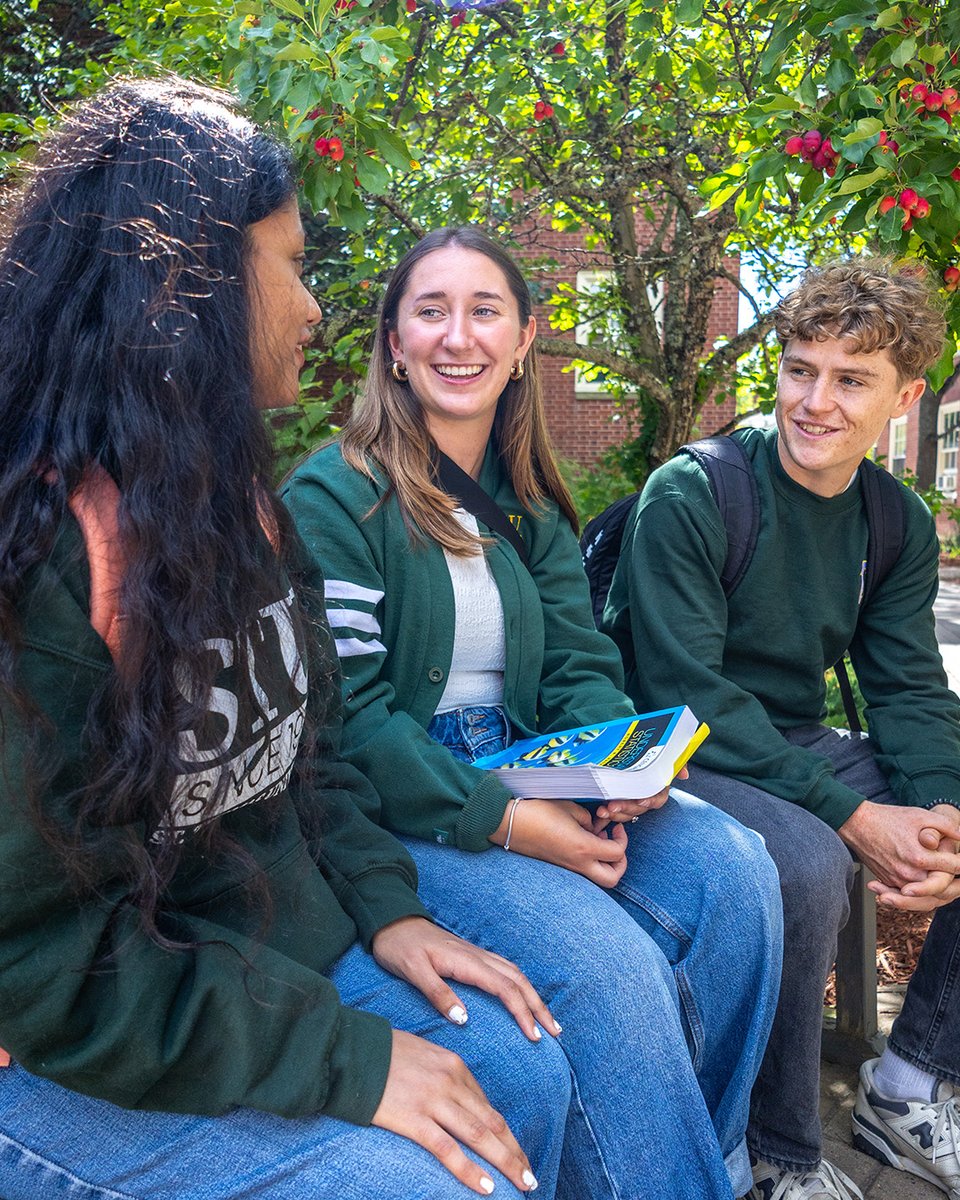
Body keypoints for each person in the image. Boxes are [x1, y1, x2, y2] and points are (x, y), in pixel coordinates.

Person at [0, 77, 583, 1200]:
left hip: (248, 950)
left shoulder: (240, 502)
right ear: (188, 283)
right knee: (412, 1183)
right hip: (93, 1014)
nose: (317, 307)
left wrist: (390, 909)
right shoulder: (52, 546)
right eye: (294, 264)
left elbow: (313, 751)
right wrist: (341, 1056)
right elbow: (43, 958)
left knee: (527, 1065)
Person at [281, 224, 783, 1200]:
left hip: (533, 765)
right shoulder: (333, 497)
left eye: (484, 311)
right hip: (406, 808)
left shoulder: (529, 506)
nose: (456, 336)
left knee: (737, 873)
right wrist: (513, 823)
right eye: (430, 311)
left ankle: (696, 1162)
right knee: (612, 970)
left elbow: (580, 666)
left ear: (523, 342)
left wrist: (616, 768)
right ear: (394, 341)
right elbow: (348, 723)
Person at [602, 258, 960, 1200]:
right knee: (800, 864)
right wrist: (855, 817)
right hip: (669, 741)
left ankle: (912, 1083)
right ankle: (775, 1153)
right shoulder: (696, 491)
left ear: (905, 395)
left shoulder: (896, 521)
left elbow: (911, 690)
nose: (817, 401)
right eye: (800, 368)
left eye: (852, 379)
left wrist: (939, 810)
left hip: (787, 740)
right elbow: (692, 695)